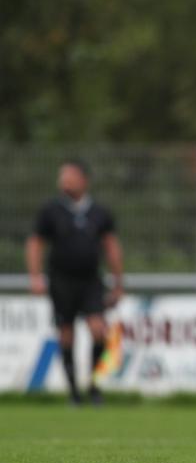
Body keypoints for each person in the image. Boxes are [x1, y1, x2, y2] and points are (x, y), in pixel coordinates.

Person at [25, 160, 124, 405]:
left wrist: (118, 281)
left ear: (83, 180)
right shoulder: (51, 211)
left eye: (69, 176)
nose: (64, 181)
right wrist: (35, 276)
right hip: (61, 281)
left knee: (98, 330)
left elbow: (111, 246)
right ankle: (74, 393)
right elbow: (36, 243)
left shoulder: (99, 212)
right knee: (66, 333)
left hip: (91, 280)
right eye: (62, 176)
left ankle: (94, 385)